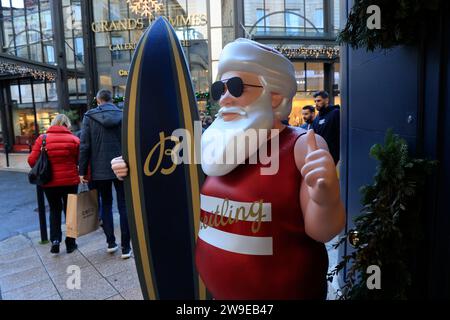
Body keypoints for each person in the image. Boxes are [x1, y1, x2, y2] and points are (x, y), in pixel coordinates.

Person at [111, 39, 345, 299]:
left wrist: (326, 197)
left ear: (275, 95)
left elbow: (322, 231)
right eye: (219, 88)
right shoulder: (213, 146)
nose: (224, 97)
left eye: (235, 86)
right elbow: (171, 180)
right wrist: (132, 169)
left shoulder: (301, 146)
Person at [79, 89, 131, 259]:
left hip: (99, 168)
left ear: (98, 100)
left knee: (106, 204)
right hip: (121, 166)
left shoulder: (89, 116)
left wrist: (82, 170)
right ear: (111, 99)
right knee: (124, 205)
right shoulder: (123, 114)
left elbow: (84, 145)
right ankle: (126, 247)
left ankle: (111, 243)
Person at [27, 114, 79, 255]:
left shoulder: (42, 139)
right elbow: (80, 160)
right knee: (71, 211)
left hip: (49, 182)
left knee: (55, 210)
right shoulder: (74, 140)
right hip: (70, 181)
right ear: (67, 124)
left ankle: (55, 241)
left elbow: (32, 160)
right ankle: (70, 243)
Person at [311, 91, 340, 164]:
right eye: (315, 101)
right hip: (320, 155)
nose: (316, 103)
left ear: (326, 100)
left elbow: (341, 134)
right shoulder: (317, 118)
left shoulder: (335, 113)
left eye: (319, 100)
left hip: (334, 156)